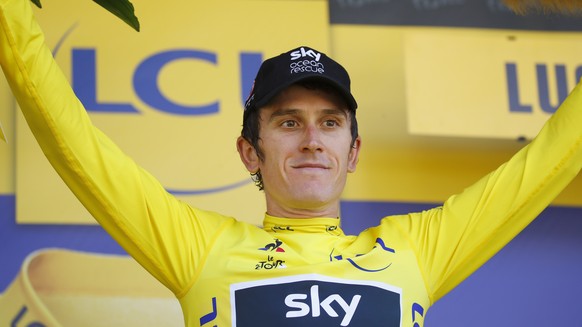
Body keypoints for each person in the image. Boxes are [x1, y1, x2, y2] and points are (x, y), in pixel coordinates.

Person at [1, 0, 581, 326]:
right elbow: (71, 142)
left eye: (330, 123)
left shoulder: (415, 250)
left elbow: (553, 156)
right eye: (287, 122)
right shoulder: (200, 248)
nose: (311, 139)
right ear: (249, 151)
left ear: (353, 151)